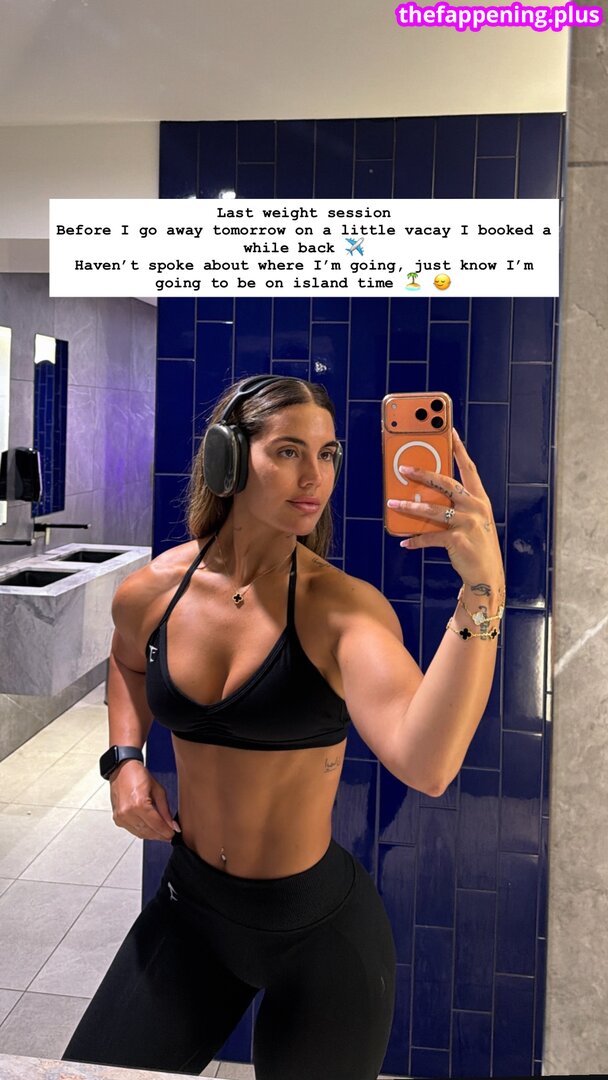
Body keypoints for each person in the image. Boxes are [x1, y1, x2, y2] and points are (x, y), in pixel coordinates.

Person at [62, 374, 505, 1080]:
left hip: (320, 933)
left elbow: (428, 765)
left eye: (327, 455)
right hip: (190, 908)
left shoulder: (343, 611)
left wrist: (482, 592)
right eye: (289, 451)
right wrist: (125, 758)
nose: (315, 477)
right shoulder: (154, 591)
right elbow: (128, 662)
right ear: (228, 458)